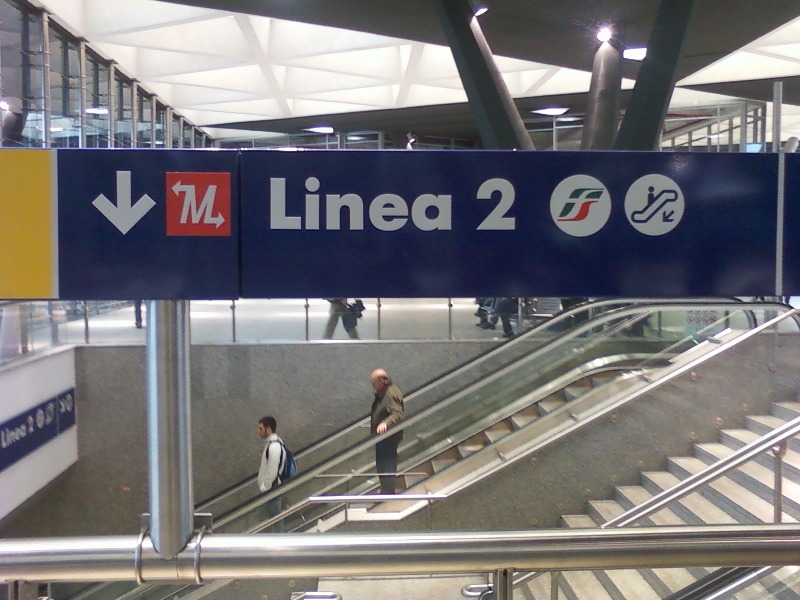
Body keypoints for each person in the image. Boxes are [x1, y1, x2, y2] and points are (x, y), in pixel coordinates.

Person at [369, 368, 405, 494]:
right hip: (382, 438)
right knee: (382, 466)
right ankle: (386, 491)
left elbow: (397, 414)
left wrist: (385, 423)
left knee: (387, 466)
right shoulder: (382, 392)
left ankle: (388, 493)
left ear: (381, 380)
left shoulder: (391, 393)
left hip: (389, 438)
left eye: (374, 382)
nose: (372, 385)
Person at [256, 415, 286, 530]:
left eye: (261, 428)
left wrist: (265, 487)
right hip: (271, 488)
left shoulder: (274, 447)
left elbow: (272, 471)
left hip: (272, 488)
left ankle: (279, 540)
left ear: (268, 429)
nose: (259, 431)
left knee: (276, 520)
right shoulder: (272, 444)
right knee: (274, 519)